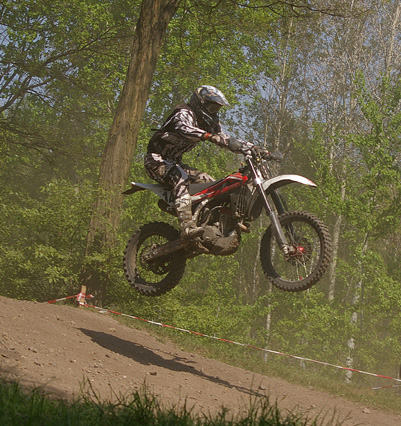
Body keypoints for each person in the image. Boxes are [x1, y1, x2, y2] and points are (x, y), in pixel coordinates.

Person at [145, 85, 234, 239]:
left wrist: (251, 148)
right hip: (156, 161)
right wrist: (208, 136)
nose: (214, 112)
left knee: (210, 182)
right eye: (212, 108)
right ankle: (186, 226)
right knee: (179, 176)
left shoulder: (208, 123)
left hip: (176, 163)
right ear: (200, 103)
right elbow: (184, 128)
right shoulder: (184, 113)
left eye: (217, 109)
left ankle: (209, 222)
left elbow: (226, 139)